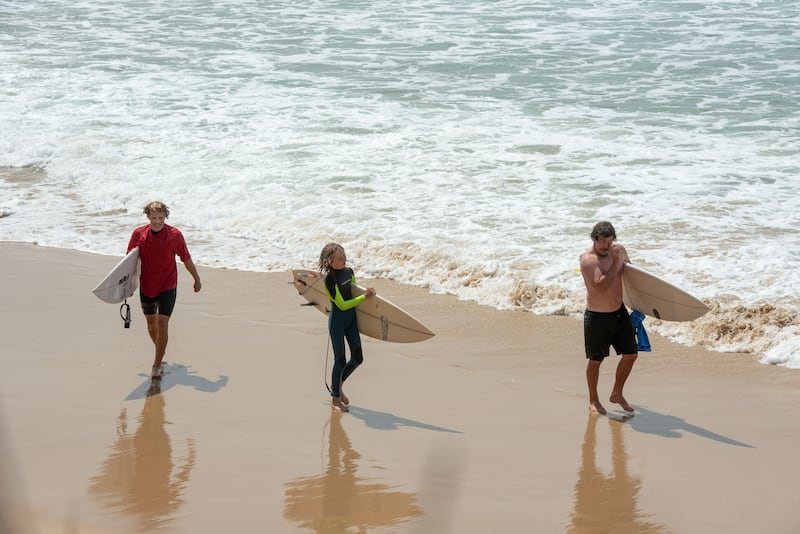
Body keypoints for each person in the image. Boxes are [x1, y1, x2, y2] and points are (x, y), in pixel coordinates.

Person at [127, 201, 201, 379]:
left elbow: (186, 258)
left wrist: (196, 278)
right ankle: (160, 351)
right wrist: (127, 287)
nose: (157, 222)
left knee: (162, 323)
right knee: (151, 323)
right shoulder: (139, 234)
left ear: (165, 216)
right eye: (153, 218)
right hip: (147, 285)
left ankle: (157, 364)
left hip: (167, 285)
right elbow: (129, 262)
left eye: (160, 218)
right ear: (148, 217)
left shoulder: (174, 235)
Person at [579, 221, 638, 415]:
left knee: (631, 354)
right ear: (594, 239)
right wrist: (614, 263)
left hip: (619, 313)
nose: (607, 247)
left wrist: (641, 304)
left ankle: (617, 393)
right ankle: (593, 399)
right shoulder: (588, 260)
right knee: (596, 360)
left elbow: (630, 274)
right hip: (597, 318)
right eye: (603, 242)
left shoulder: (618, 250)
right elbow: (600, 286)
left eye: (610, 242)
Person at [318, 243, 376, 412]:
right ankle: (335, 399)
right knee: (341, 359)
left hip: (351, 320)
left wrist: (366, 296)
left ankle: (339, 384)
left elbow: (354, 292)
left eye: (344, 255)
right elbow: (342, 304)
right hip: (337, 321)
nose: (344, 259)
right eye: (340, 257)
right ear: (329, 261)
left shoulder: (349, 272)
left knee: (358, 357)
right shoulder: (329, 279)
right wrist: (365, 297)